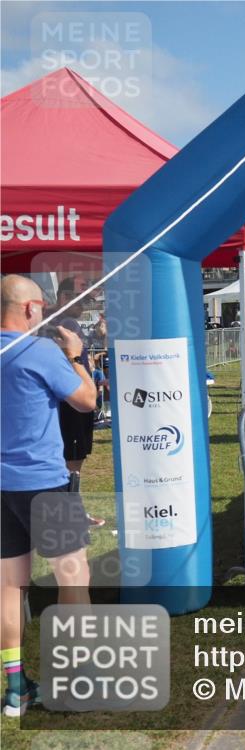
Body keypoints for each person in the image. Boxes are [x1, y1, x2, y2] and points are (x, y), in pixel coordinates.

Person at [1, 275, 97, 716]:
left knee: (8, 588)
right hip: (44, 483)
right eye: (40, 304)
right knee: (73, 580)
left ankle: (15, 690)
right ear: (28, 308)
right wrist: (75, 357)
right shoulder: (40, 351)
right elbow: (86, 401)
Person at [52, 278, 104, 526]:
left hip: (73, 398)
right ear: (64, 297)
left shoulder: (62, 322)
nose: (84, 306)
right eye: (80, 300)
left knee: (74, 461)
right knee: (72, 462)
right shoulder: (65, 323)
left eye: (86, 301)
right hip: (73, 400)